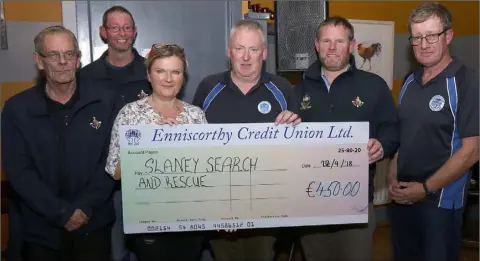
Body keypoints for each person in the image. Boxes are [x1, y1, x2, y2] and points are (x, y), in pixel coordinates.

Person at [1, 25, 117, 261]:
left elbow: (113, 159)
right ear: (39, 61)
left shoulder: (106, 101)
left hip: (93, 225)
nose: (63, 61)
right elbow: (18, 171)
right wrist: (62, 213)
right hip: (41, 230)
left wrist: (84, 208)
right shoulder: (17, 109)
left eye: (69, 54)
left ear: (78, 59)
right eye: (53, 55)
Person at [192, 19, 300, 261]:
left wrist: (294, 125)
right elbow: (192, 145)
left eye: (253, 49)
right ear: (229, 52)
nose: (246, 57)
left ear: (264, 53)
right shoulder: (208, 87)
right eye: (239, 48)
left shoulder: (282, 88)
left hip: (266, 204)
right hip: (218, 203)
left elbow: (296, 151)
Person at [294, 16, 399, 261]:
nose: (332, 47)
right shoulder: (297, 90)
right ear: (316, 45)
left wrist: (382, 145)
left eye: (339, 41)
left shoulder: (374, 86)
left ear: (351, 46)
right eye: (326, 41)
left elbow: (392, 128)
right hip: (310, 202)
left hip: (357, 203)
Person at [388, 3, 479, 261]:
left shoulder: (466, 81)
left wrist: (425, 188)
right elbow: (404, 138)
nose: (424, 44)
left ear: (448, 36)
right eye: (417, 37)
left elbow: (472, 151)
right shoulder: (409, 81)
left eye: (431, 35)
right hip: (404, 199)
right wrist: (393, 178)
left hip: (439, 205)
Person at [105, 43, 207, 261]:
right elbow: (115, 172)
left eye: (175, 72)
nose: (168, 79)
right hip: (148, 219)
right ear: (149, 76)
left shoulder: (196, 116)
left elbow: (208, 169)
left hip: (191, 218)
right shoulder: (130, 114)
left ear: (183, 76)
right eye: (160, 71)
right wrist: (149, 141)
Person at [79, 6, 152, 261]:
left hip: (145, 179)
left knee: (147, 250)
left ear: (134, 32)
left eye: (127, 27)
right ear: (103, 32)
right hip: (100, 183)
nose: (122, 33)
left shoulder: (152, 73)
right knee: (113, 252)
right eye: (114, 27)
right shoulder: (85, 77)